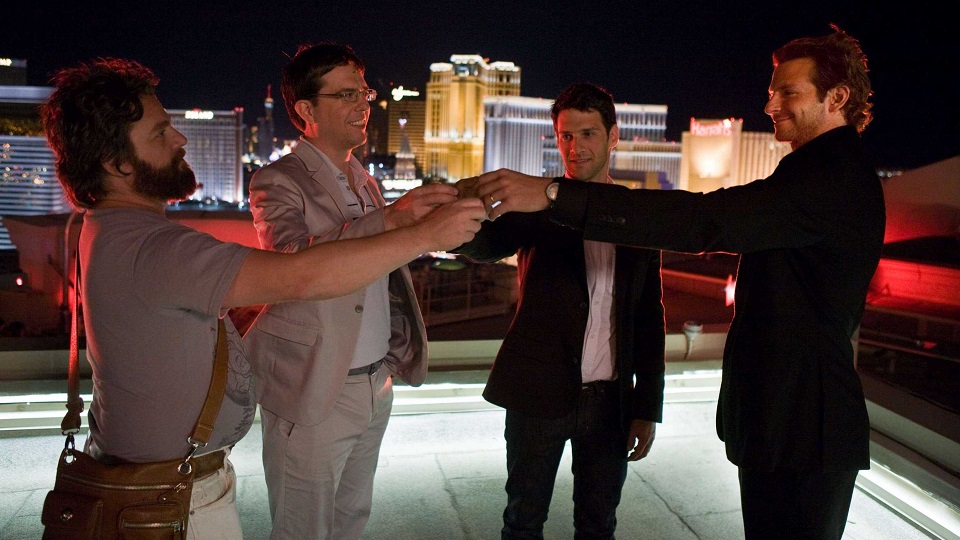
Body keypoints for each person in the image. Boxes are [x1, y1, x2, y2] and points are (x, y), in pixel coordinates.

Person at [40, 57, 484, 540]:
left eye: (364, 94)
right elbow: (299, 275)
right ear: (117, 163)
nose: (180, 138)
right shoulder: (155, 247)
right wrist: (419, 232)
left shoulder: (109, 230)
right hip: (170, 493)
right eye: (160, 132)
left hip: (181, 473)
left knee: (349, 517)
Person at [473, 25, 884, 540]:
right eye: (771, 91)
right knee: (525, 517)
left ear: (837, 97)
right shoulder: (816, 172)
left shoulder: (829, 178)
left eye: (788, 92)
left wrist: (555, 194)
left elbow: (704, 223)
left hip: (803, 427)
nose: (770, 104)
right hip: (786, 422)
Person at [241, 42, 459, 540]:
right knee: (303, 529)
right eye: (346, 95)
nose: (363, 104)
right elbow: (292, 262)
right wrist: (394, 220)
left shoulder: (364, 179)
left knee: (351, 520)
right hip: (317, 387)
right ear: (306, 109)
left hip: (375, 381)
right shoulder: (278, 180)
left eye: (364, 93)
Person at [454, 82, 665, 539]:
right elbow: (488, 244)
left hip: (610, 403)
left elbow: (649, 316)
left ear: (613, 137)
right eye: (566, 136)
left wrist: (647, 406)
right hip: (538, 394)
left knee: (599, 524)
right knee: (522, 520)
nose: (575, 147)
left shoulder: (636, 215)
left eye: (588, 134)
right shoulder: (538, 205)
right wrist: (452, 219)